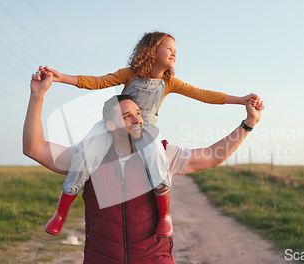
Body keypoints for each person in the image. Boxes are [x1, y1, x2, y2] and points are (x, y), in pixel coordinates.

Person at [23, 70, 264, 264]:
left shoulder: (162, 152)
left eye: (138, 113)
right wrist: (38, 95)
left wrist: (248, 124)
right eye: (127, 116)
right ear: (109, 125)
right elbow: (34, 148)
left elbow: (212, 156)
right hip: (101, 258)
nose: (138, 119)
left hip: (154, 258)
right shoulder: (87, 158)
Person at [38, 31, 261, 237]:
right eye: (168, 47)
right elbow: (97, 82)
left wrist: (240, 100)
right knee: (87, 153)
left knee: (156, 156)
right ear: (151, 51)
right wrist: (60, 77)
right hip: (115, 124)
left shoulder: (169, 82)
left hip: (145, 127)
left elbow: (203, 94)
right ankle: (60, 213)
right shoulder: (129, 74)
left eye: (176, 49)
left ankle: (165, 216)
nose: (174, 52)